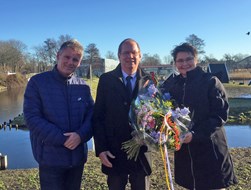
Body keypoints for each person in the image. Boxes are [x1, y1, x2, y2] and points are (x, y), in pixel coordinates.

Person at [161, 43, 238, 190]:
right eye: (180, 60)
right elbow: (163, 111)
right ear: (175, 63)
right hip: (185, 153)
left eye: (188, 59)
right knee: (191, 185)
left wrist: (195, 135)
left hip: (210, 150)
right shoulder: (171, 84)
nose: (184, 64)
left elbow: (219, 115)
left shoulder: (210, 81)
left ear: (196, 60)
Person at [23, 39, 94, 190]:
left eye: (75, 59)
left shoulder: (83, 87)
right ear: (58, 56)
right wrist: (63, 139)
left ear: (80, 62)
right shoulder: (37, 83)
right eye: (67, 57)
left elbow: (92, 117)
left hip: (77, 159)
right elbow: (32, 118)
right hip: (50, 158)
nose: (70, 62)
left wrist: (80, 136)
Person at [93, 38, 152, 190]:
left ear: (140, 56)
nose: (130, 56)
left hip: (141, 151)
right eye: (126, 53)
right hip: (114, 151)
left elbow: (156, 116)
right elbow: (98, 117)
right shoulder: (106, 80)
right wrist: (101, 148)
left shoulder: (151, 81)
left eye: (134, 52)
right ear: (119, 56)